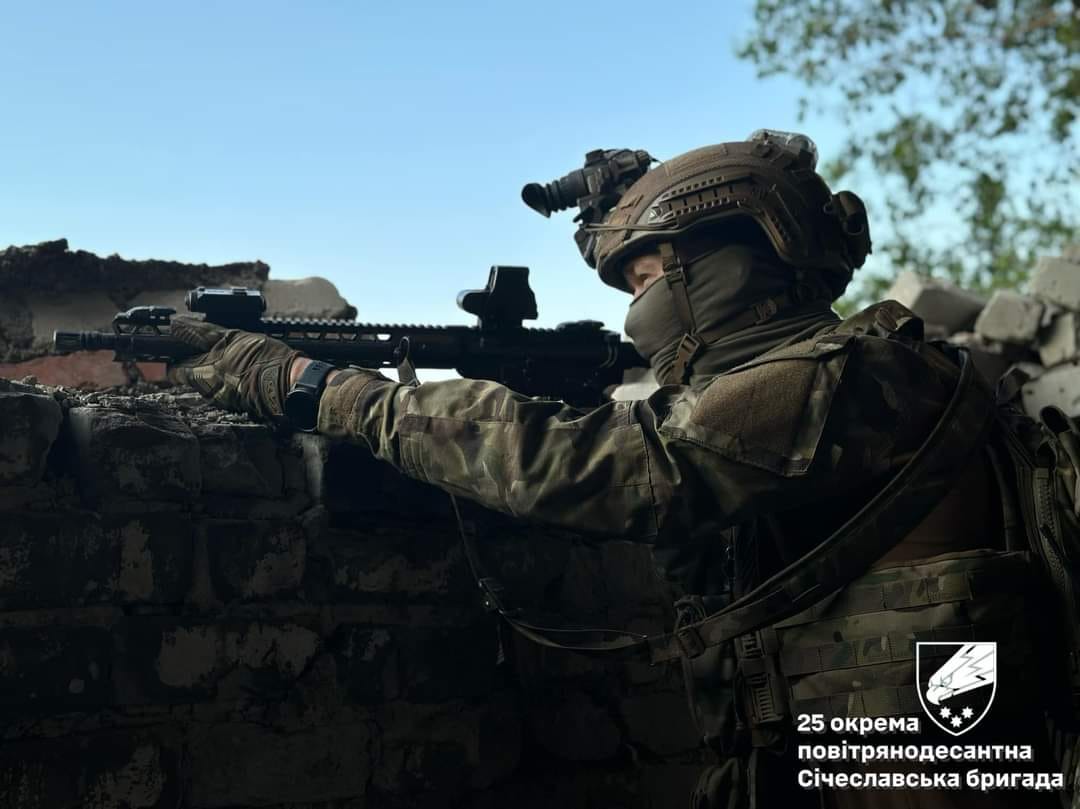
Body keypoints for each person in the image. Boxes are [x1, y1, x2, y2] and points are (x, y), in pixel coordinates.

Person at [167, 132, 1063, 808]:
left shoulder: (845, 377)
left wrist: (323, 391)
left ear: (732, 262)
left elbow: (605, 467)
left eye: (644, 278)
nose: (638, 310)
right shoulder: (875, 368)